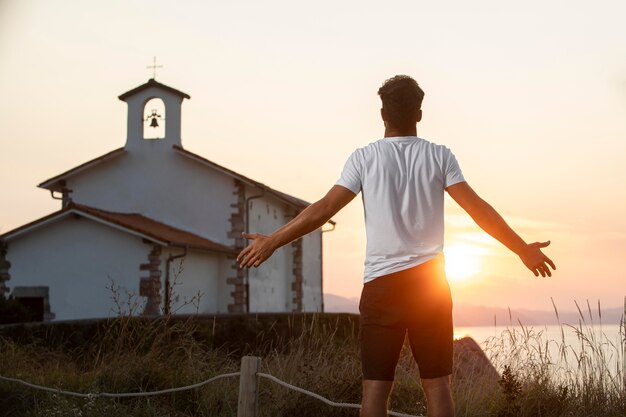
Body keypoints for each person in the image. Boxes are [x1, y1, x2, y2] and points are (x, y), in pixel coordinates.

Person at [237, 75, 556, 417]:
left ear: (382, 114)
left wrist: (272, 241)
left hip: (382, 286)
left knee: (375, 389)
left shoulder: (364, 158)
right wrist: (522, 248)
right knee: (437, 385)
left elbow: (324, 209)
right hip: (429, 285)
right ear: (419, 114)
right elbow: (478, 209)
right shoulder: (439, 156)